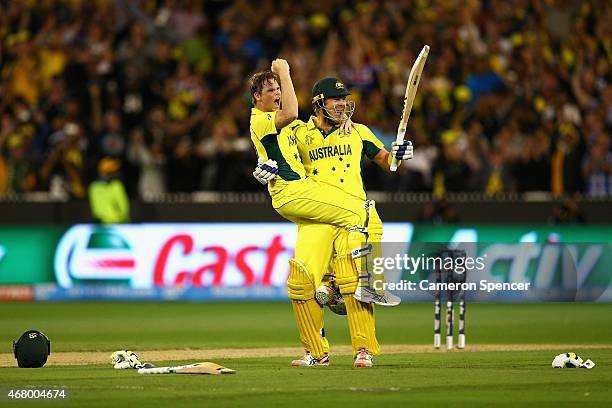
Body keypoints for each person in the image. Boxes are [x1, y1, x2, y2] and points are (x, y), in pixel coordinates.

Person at [88, 157, 130, 224]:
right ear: (108, 173)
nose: (118, 173)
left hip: (103, 225)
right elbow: (124, 210)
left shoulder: (93, 187)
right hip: (117, 224)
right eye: (115, 171)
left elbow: (96, 212)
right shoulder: (116, 185)